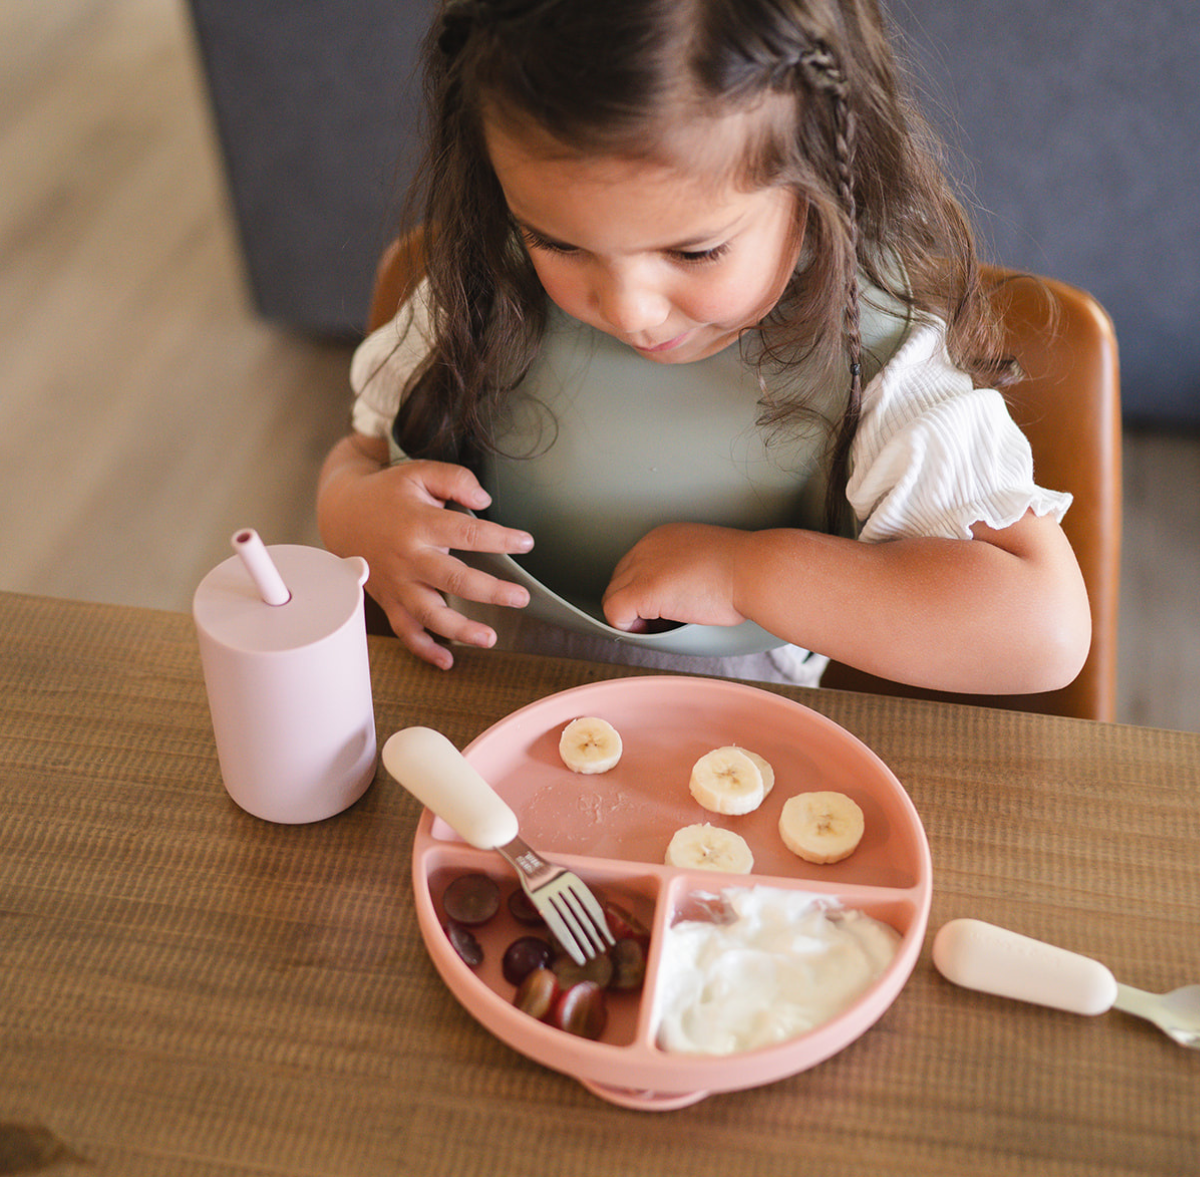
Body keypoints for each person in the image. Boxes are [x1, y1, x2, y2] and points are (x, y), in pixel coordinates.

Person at [317, 0, 1090, 694]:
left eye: (695, 252)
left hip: (736, 763)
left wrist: (748, 574)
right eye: (554, 239)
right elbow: (357, 456)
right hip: (486, 710)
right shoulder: (481, 288)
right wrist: (355, 513)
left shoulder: (881, 357)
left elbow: (1043, 633)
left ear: (817, 177)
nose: (627, 309)